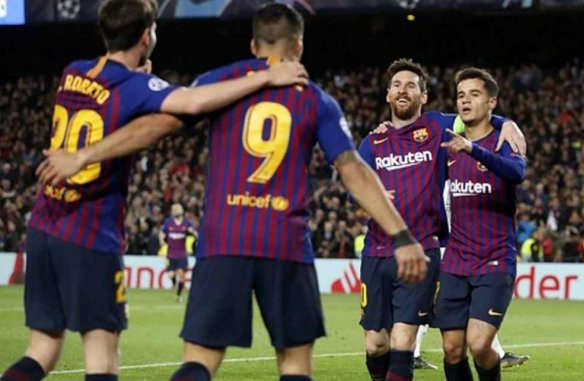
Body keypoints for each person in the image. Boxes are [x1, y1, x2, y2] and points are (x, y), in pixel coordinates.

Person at [37, 4, 428, 380]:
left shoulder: (216, 84)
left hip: (224, 239)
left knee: (199, 362)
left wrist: (85, 155)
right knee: (294, 365)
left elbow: (156, 127)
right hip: (285, 243)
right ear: (298, 46)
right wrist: (401, 235)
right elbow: (352, 169)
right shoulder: (315, 99)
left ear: (254, 46)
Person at [5, 0, 309, 380]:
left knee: (42, 348)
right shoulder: (136, 86)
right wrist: (265, 77)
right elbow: (195, 101)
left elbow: (109, 98)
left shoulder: (73, 72)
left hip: (45, 225)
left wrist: (140, 79)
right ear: (146, 36)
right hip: (90, 232)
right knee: (101, 356)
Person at [358, 59, 525, 381]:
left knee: (414, 340)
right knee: (385, 345)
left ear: (424, 96)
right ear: (388, 95)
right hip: (390, 253)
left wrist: (508, 123)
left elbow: (482, 121)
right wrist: (369, 198)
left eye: (411, 85)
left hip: (431, 251)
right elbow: (354, 183)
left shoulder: (441, 130)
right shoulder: (375, 141)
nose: (402, 90)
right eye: (396, 85)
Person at [435, 67, 527, 381]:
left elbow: (516, 173)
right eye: (461, 95)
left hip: (494, 260)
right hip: (456, 261)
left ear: (491, 102)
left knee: (479, 343)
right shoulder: (447, 143)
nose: (465, 100)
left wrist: (474, 149)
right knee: (451, 348)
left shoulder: (503, 139)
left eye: (474, 94)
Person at [159, 203, 197, 301]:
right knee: (171, 274)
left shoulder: (186, 223)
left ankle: (178, 296)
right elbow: (162, 232)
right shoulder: (168, 223)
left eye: (178, 209)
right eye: (174, 209)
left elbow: (192, 231)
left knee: (181, 274)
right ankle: (174, 284)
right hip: (170, 254)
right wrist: (162, 240)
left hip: (181, 254)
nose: (176, 211)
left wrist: (195, 234)